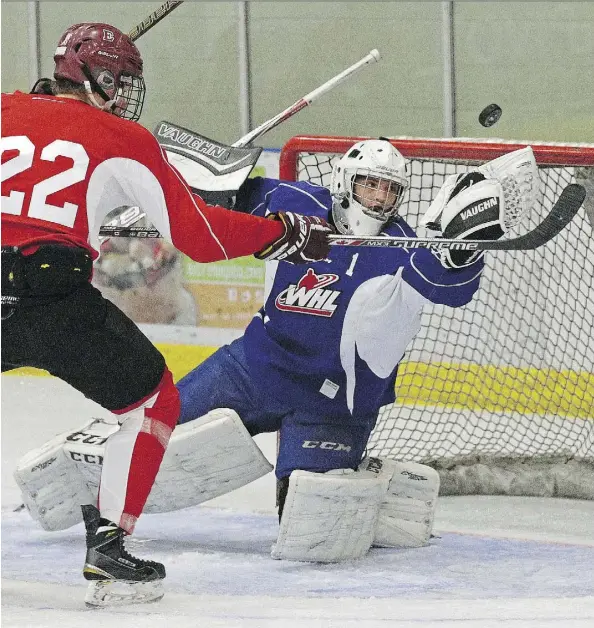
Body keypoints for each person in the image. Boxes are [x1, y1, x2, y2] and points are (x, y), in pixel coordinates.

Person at [14, 140, 540, 563]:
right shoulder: (300, 203)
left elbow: (452, 287)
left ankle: (377, 480)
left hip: (333, 405)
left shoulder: (403, 247)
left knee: (311, 534)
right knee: (154, 424)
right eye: (369, 185)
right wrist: (208, 173)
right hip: (254, 366)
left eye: (388, 190)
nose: (378, 198)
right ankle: (94, 502)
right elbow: (227, 196)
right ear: (345, 182)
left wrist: (461, 245)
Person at [1, 22, 332, 606]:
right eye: (122, 82)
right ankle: (108, 548)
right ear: (99, 79)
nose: (128, 95)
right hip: (50, 301)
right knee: (154, 401)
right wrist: (279, 233)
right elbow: (201, 235)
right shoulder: (120, 137)